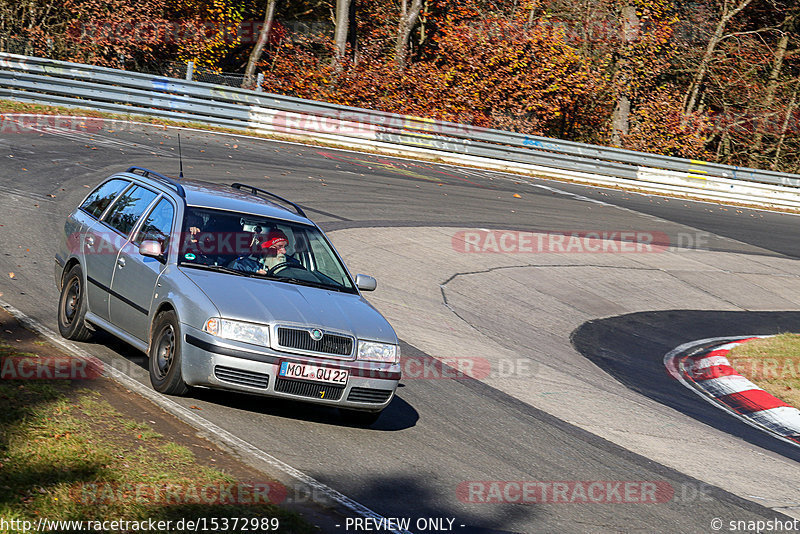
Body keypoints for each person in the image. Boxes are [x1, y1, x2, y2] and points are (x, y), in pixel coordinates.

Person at [228, 228, 298, 274]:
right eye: (279, 247)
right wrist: (255, 275)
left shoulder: (293, 263)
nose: (284, 251)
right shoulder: (243, 265)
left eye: (285, 247)